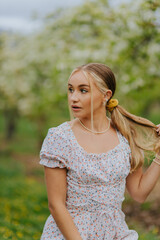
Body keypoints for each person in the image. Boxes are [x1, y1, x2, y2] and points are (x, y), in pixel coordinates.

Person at [39, 63, 160, 240]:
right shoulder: (60, 138)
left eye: (83, 90)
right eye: (71, 89)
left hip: (115, 233)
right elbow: (56, 205)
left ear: (106, 95)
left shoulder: (125, 136)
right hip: (72, 234)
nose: (73, 97)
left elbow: (139, 193)